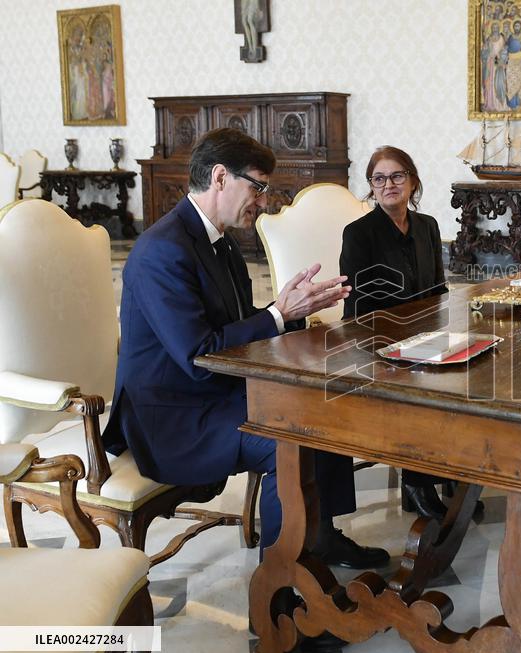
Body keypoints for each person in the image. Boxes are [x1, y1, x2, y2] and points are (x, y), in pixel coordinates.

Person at [103, 128, 390, 573]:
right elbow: (199, 354)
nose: (263, 199)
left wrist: (292, 312)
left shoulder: (219, 241)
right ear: (220, 177)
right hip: (172, 417)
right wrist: (277, 313)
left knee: (327, 405)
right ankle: (277, 597)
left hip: (212, 394)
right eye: (257, 186)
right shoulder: (162, 250)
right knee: (286, 441)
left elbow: (237, 324)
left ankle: (321, 539)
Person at [340, 146, 452, 521]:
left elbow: (438, 291)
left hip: (425, 336)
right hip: (376, 342)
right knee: (418, 385)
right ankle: (418, 481)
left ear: (413, 180)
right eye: (379, 178)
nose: (389, 185)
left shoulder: (428, 226)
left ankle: (452, 473)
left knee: (464, 376)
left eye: (397, 176)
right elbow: (357, 308)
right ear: (371, 187)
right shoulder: (358, 234)